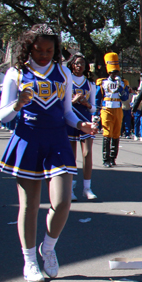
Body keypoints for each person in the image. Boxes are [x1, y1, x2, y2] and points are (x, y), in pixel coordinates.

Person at [0, 24, 96, 282]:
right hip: (28, 139)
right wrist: (18, 103)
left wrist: (80, 124)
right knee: (29, 205)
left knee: (63, 201)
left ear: (56, 49)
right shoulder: (16, 73)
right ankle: (29, 261)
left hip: (57, 140)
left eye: (49, 50)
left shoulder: (62, 72)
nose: (43, 55)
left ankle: (48, 249)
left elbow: (66, 112)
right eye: (38, 49)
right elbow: (2, 114)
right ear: (28, 48)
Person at [66, 54, 97, 200]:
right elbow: (63, 104)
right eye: (77, 63)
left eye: (82, 64)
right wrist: (73, 101)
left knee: (87, 153)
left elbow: (93, 108)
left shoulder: (90, 84)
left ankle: (87, 188)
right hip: (71, 120)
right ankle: (71, 188)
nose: (79, 66)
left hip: (85, 118)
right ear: (72, 65)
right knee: (71, 155)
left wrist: (86, 103)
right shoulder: (66, 81)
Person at [95, 53, 128, 168]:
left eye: (116, 72)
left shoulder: (123, 83)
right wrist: (95, 113)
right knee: (107, 133)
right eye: (112, 72)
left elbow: (125, 97)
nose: (115, 74)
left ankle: (113, 158)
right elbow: (97, 98)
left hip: (118, 109)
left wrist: (120, 86)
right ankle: (106, 158)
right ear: (109, 72)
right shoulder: (102, 83)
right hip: (106, 109)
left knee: (116, 133)